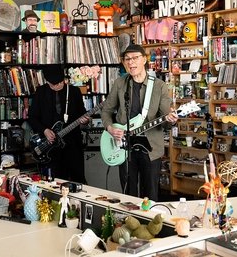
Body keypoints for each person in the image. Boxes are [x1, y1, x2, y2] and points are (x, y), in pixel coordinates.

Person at [101, 44, 178, 201]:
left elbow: (166, 119)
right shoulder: (119, 83)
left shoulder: (159, 86)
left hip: (150, 149)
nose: (131, 62)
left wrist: (171, 120)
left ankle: (150, 223)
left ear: (144, 59)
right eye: (127, 59)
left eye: (135, 58)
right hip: (124, 146)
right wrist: (110, 128)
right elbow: (106, 111)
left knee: (150, 194)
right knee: (128, 194)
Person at [28, 67, 89, 183]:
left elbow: (83, 113)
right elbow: (32, 117)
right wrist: (44, 130)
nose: (58, 86)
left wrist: (85, 120)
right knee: (56, 181)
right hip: (50, 146)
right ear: (47, 82)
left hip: (72, 144)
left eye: (60, 82)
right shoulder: (41, 92)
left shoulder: (74, 91)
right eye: (53, 84)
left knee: (78, 179)